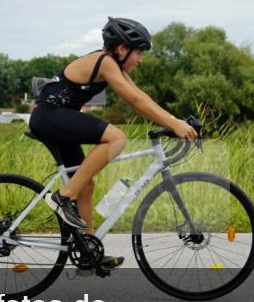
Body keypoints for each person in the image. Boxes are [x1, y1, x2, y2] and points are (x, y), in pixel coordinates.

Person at [28, 17, 197, 270]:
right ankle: (63, 197)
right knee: (117, 138)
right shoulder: (106, 62)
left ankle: (86, 249)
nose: (140, 59)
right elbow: (135, 102)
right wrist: (175, 125)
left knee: (86, 184)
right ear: (122, 48)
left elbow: (141, 96)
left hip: (56, 118)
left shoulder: (114, 66)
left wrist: (175, 121)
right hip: (49, 117)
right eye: (138, 52)